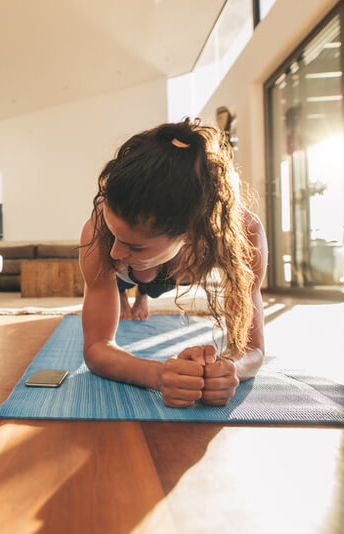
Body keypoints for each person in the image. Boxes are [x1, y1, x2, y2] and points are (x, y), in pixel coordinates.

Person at [79, 118, 268, 408]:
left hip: (178, 266)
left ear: (190, 235)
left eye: (134, 245)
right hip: (130, 277)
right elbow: (95, 347)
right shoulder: (100, 233)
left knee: (147, 274)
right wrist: (159, 374)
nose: (116, 252)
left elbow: (253, 348)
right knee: (120, 268)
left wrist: (229, 369)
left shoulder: (245, 234)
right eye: (116, 234)